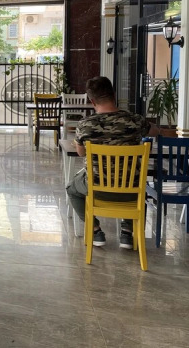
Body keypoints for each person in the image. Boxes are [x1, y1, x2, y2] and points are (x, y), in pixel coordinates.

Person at [66, 76, 159, 248]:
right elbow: (154, 131)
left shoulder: (85, 125)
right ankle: (128, 233)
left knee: (71, 188)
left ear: (92, 101)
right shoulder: (136, 120)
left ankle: (95, 230)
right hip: (131, 191)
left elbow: (81, 152)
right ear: (114, 95)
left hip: (97, 189)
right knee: (142, 189)